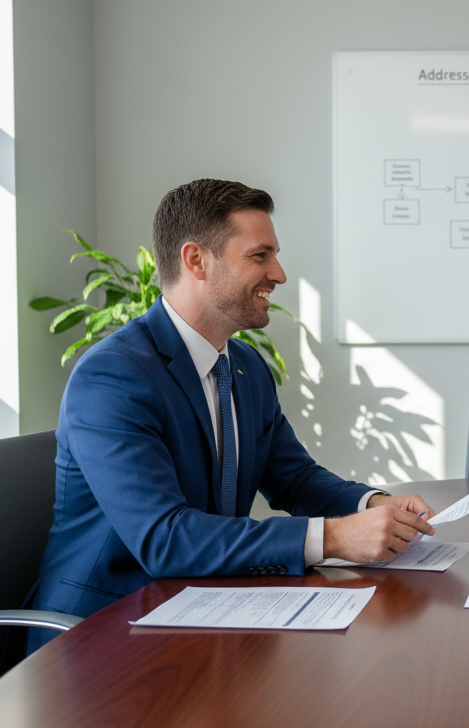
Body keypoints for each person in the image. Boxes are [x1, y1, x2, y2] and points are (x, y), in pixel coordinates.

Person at [29, 179, 435, 649]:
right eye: (260, 256)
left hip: (202, 609)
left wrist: (372, 504)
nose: (279, 274)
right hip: (102, 634)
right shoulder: (114, 376)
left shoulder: (243, 367)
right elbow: (165, 538)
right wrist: (336, 538)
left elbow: (294, 479)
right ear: (196, 260)